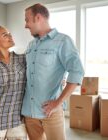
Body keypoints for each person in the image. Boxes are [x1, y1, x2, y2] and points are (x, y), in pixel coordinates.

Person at [21, 3, 84, 140]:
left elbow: (77, 72)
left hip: (50, 112)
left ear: (38, 17)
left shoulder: (63, 41)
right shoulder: (31, 45)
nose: (26, 25)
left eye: (27, 19)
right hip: (29, 112)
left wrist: (59, 102)